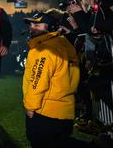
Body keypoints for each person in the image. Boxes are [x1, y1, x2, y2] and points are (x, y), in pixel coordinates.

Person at [22, 11, 87, 148]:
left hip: (45, 111)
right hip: (65, 110)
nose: (32, 27)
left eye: (38, 24)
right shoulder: (63, 43)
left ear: (51, 27)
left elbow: (37, 81)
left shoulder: (44, 49)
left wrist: (30, 106)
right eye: (31, 24)